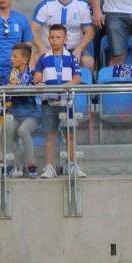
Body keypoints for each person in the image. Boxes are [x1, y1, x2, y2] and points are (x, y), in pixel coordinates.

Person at [34, 24, 84, 179]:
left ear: (65, 39)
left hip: (66, 102)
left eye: (58, 37)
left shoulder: (71, 58)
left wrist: (63, 87)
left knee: (70, 134)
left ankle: (73, 165)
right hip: (49, 102)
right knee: (50, 134)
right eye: (51, 37)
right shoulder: (43, 58)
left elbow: (77, 78)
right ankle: (49, 167)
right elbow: (37, 78)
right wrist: (42, 85)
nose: (54, 40)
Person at [32, 0, 95, 71]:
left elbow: (90, 32)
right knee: (36, 59)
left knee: (88, 62)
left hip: (74, 48)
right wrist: (41, 47)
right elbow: (31, 30)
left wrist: (78, 50)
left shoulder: (83, 4)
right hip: (49, 48)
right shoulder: (45, 4)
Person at [3, 42, 39, 178]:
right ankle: (10, 166)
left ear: (25, 59)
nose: (11, 58)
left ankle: (31, 166)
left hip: (32, 116)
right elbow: (5, 96)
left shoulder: (34, 76)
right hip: (15, 115)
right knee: (7, 127)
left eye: (14, 56)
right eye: (11, 56)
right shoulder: (9, 76)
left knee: (23, 130)